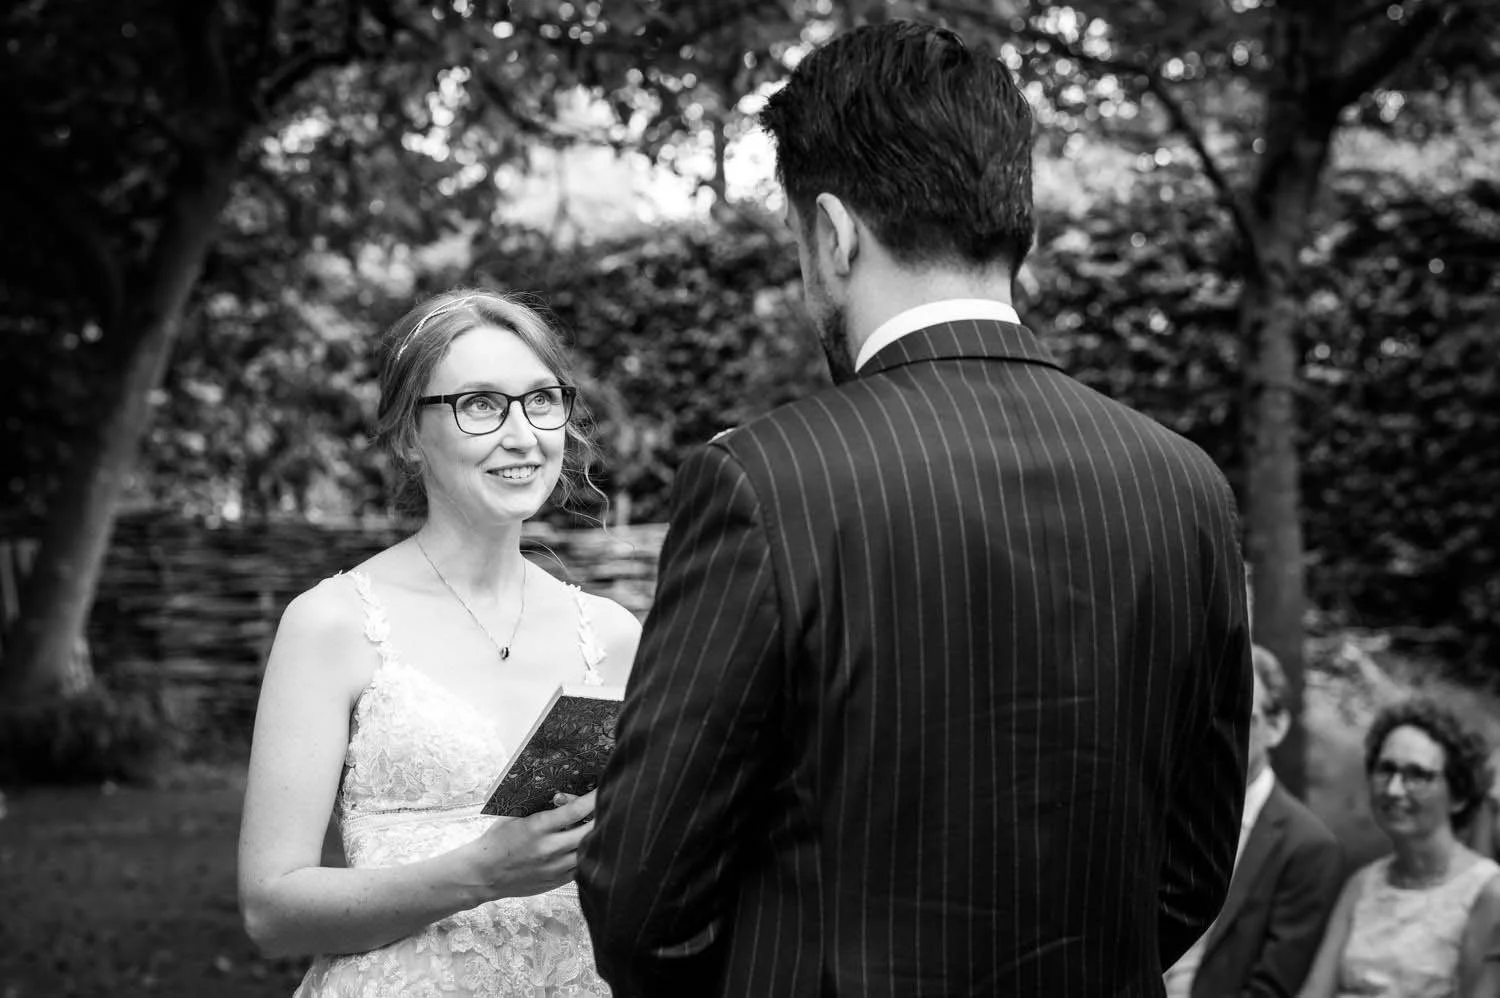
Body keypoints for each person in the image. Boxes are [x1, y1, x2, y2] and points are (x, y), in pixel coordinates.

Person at [577, 19, 1253, 997]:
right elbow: (1191, 869)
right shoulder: (1186, 484)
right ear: (1014, 212)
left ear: (833, 232)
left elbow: (644, 896)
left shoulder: (764, 481)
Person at [237, 289, 641, 996]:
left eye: (541, 400)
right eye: (480, 404)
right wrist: (481, 873)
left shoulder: (611, 634)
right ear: (408, 436)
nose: (522, 434)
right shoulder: (333, 623)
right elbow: (271, 911)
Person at [1164, 645, 1344, 997]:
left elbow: (1272, 988)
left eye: (1235, 718)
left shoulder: (1308, 847)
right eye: (1205, 714)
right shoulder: (1167, 815)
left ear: (1276, 727)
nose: (1213, 733)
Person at [1298, 698, 1500, 998]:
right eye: (1386, 770)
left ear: (1458, 795)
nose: (1394, 789)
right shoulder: (1362, 883)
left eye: (1417, 775)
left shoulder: (1487, 892)